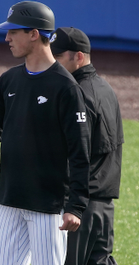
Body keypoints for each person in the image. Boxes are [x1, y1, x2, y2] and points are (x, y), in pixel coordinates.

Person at [0, 1, 91, 264]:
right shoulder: (9, 79)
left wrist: (75, 207)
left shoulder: (66, 87)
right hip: (9, 201)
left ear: (34, 34)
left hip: (48, 208)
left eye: (13, 32)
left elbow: (80, 151)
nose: (7, 38)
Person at [50, 27, 124, 265]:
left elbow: (74, 153)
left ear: (78, 57)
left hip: (79, 206)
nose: (54, 63)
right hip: (104, 207)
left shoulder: (77, 94)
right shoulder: (106, 89)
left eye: (59, 57)